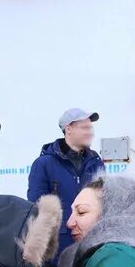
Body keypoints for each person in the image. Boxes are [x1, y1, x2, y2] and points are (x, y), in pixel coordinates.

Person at [27, 108, 105, 254]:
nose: (90, 132)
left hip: (90, 242)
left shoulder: (95, 161)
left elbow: (103, 200)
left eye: (91, 128)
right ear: (68, 129)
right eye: (85, 127)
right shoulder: (44, 164)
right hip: (59, 248)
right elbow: (36, 207)